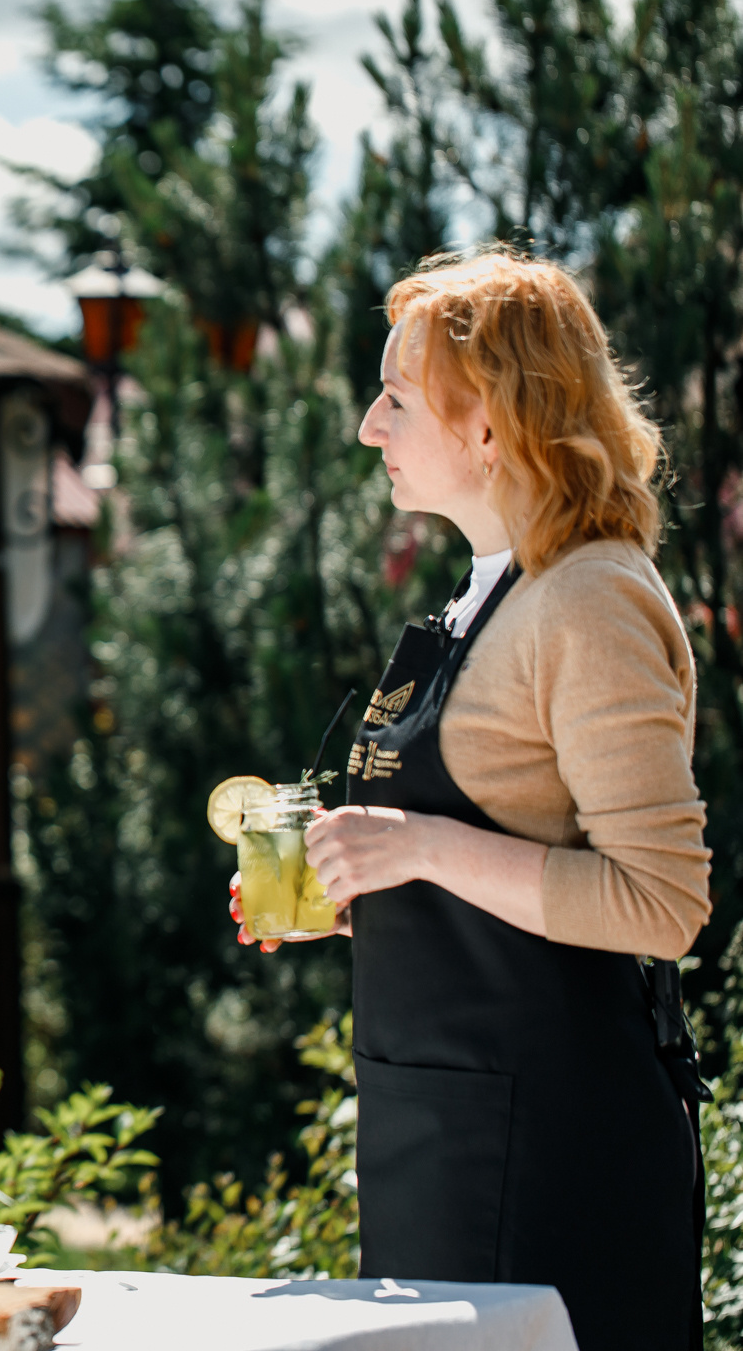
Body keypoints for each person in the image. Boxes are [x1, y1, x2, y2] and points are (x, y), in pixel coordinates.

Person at [232, 252, 708, 1349]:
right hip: (438, 1128)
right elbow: (492, 844)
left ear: (489, 425)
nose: (366, 426)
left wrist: (424, 851)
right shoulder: (488, 592)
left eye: (395, 398)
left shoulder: (590, 598)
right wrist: (361, 880)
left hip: (551, 1151)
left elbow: (661, 902)